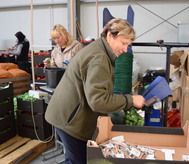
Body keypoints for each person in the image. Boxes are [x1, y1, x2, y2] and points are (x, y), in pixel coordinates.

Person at [45, 18, 145, 164]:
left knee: (74, 159)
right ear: (110, 35)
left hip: (69, 114)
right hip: (70, 119)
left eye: (128, 45)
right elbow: (98, 101)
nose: (125, 49)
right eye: (123, 43)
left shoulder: (101, 49)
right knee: (78, 161)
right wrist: (130, 100)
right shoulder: (99, 57)